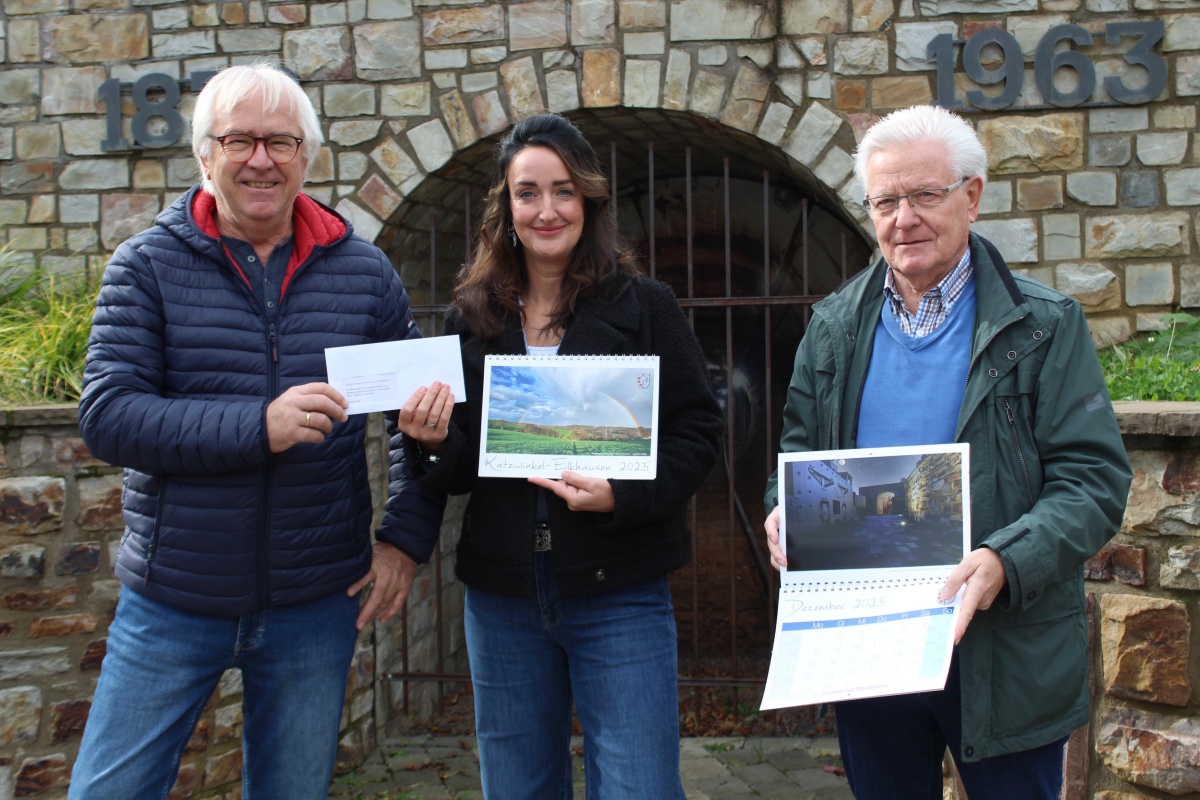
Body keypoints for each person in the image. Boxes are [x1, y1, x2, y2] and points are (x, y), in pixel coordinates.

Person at [71, 63, 443, 799]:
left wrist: (405, 539)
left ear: (307, 155)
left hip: (315, 605)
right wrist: (257, 426)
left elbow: (416, 424)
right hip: (173, 599)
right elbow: (108, 415)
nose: (261, 160)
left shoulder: (365, 274)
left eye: (281, 141)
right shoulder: (145, 266)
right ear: (204, 155)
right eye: (239, 139)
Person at [763, 105, 1131, 799]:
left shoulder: (1045, 327)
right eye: (886, 200)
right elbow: (800, 454)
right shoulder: (833, 327)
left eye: (925, 194)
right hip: (870, 643)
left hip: (1002, 645)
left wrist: (1005, 560)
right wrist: (786, 511)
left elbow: (1093, 481)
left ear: (972, 195)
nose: (905, 217)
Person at [398, 113, 723, 798]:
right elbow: (460, 469)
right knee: (518, 787)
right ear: (507, 207)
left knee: (639, 786)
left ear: (589, 202)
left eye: (564, 191)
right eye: (528, 193)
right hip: (503, 594)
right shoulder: (472, 317)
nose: (547, 210)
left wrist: (624, 495)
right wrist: (430, 441)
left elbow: (698, 431)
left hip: (620, 589)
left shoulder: (646, 308)